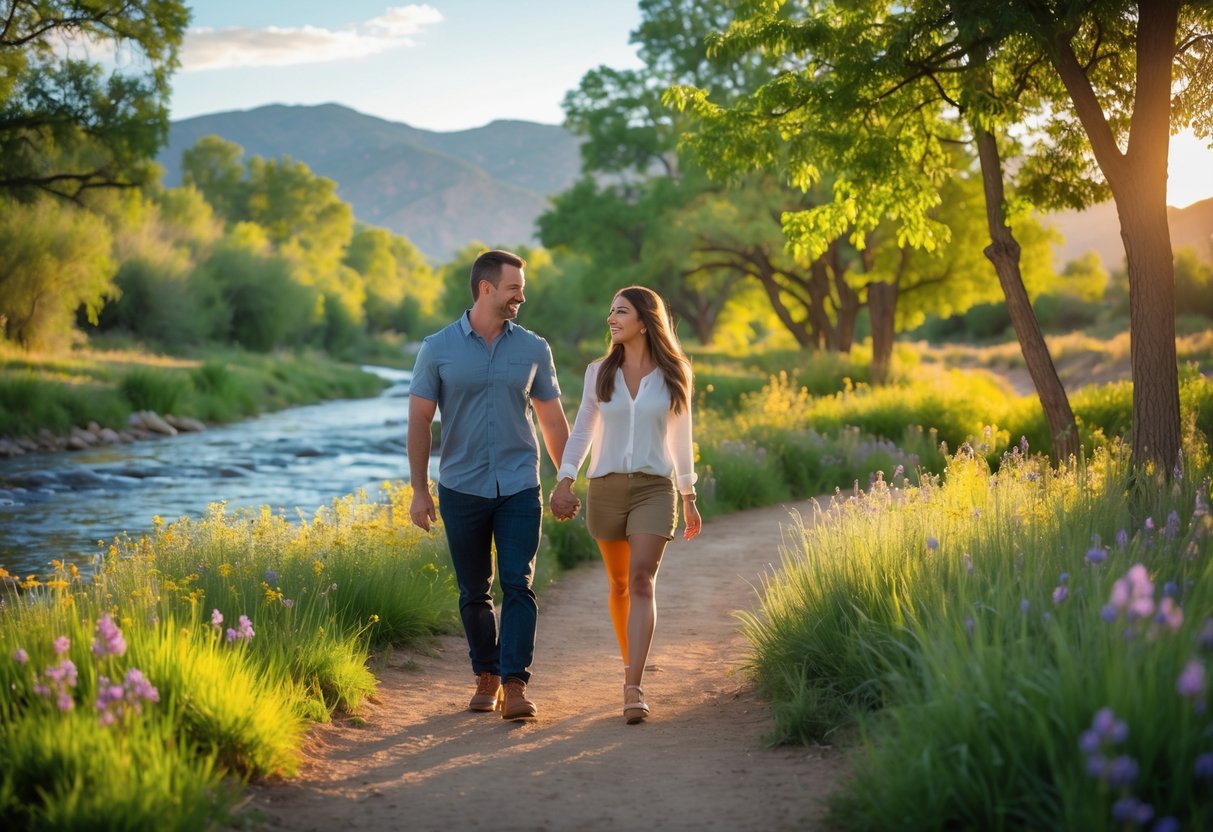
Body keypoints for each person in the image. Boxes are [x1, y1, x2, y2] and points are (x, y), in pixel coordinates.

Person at [408, 249, 578, 721]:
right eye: (514, 289)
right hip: (460, 485)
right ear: (486, 289)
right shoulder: (437, 348)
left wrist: (565, 480)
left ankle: (515, 683)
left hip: (520, 484)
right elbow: (420, 420)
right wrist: (420, 491)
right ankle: (485, 673)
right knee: (473, 590)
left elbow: (551, 420)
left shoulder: (533, 348)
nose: (521, 297)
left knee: (517, 583)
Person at [550, 285, 702, 725]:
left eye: (621, 312)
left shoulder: (676, 373)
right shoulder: (599, 372)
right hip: (606, 488)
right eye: (610, 311)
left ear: (644, 320)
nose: (612, 319)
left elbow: (681, 436)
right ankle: (629, 659)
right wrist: (565, 478)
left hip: (655, 488)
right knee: (618, 585)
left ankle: (633, 685)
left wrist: (688, 494)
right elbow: (582, 430)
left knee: (641, 581)